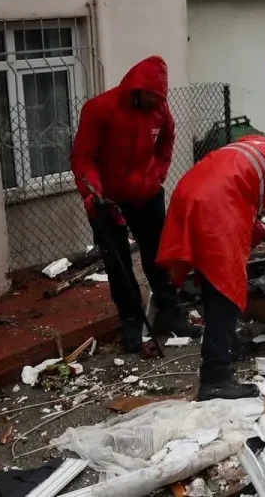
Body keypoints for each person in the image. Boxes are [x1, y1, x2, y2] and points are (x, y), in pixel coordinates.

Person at [157, 136, 265, 400]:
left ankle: (224, 346)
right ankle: (215, 378)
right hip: (218, 206)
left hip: (188, 195)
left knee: (211, 280)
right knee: (226, 288)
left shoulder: (246, 149)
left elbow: (240, 199)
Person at [70, 55, 197, 352]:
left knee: (159, 255)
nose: (156, 104)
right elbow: (83, 157)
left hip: (146, 195)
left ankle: (170, 313)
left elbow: (166, 146)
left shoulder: (160, 111)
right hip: (106, 199)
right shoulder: (100, 109)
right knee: (118, 263)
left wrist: (156, 177)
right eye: (150, 99)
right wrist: (93, 193)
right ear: (135, 89)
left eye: (159, 100)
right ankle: (130, 321)